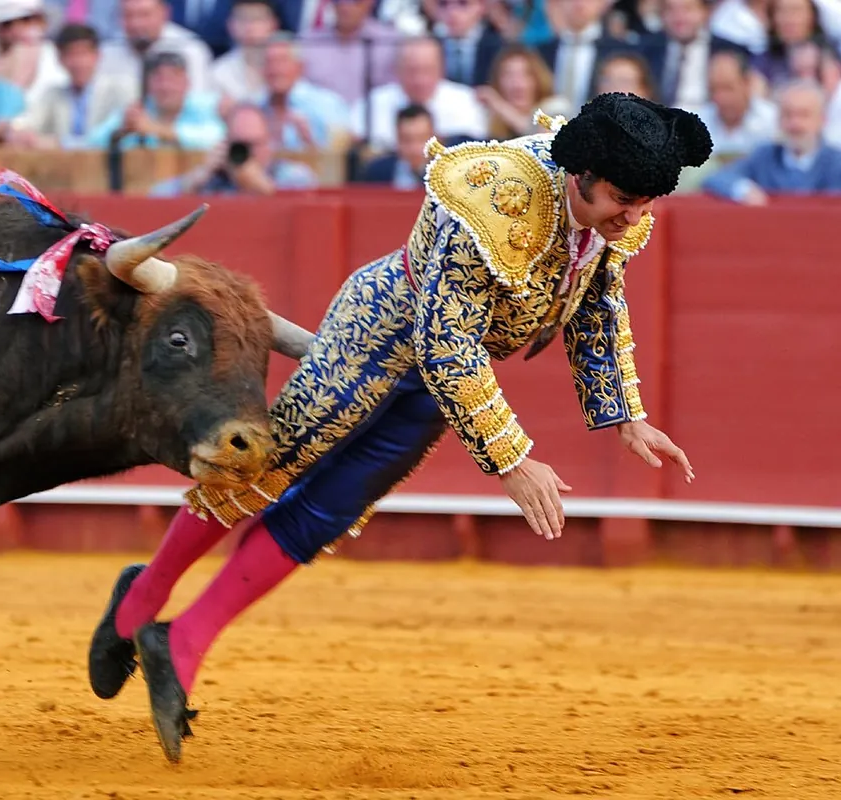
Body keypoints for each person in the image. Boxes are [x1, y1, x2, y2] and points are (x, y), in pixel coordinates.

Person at [88, 91, 713, 764]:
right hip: (380, 335)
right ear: (580, 174)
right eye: (624, 200)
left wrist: (625, 414)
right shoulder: (494, 195)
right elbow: (447, 343)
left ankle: (182, 642)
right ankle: (142, 596)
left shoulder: (612, 211)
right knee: (266, 469)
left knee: (330, 509)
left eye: (645, 203)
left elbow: (595, 300)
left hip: (440, 380)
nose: (634, 217)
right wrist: (511, 459)